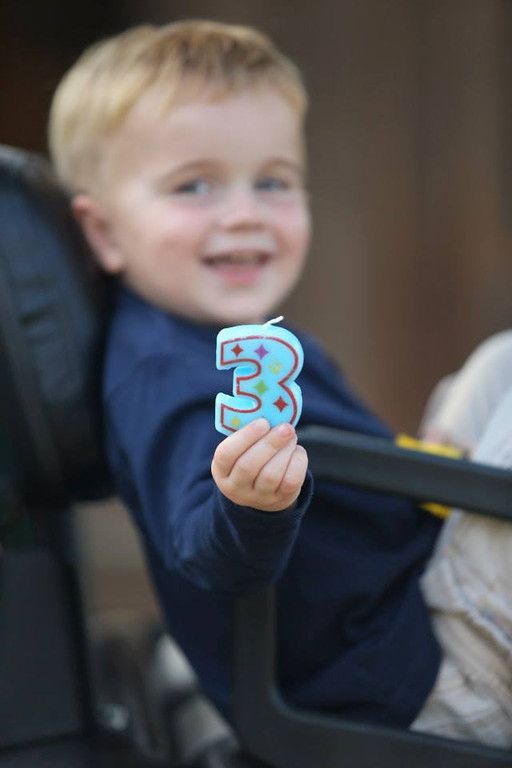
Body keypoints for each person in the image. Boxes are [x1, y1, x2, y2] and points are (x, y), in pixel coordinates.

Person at [47, 20, 512, 746]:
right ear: (103, 232)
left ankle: (444, 482)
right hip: (412, 676)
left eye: (273, 182)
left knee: (501, 362)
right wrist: (250, 506)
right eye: (194, 185)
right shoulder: (164, 378)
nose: (244, 214)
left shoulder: (211, 339)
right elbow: (208, 553)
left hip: (401, 601)